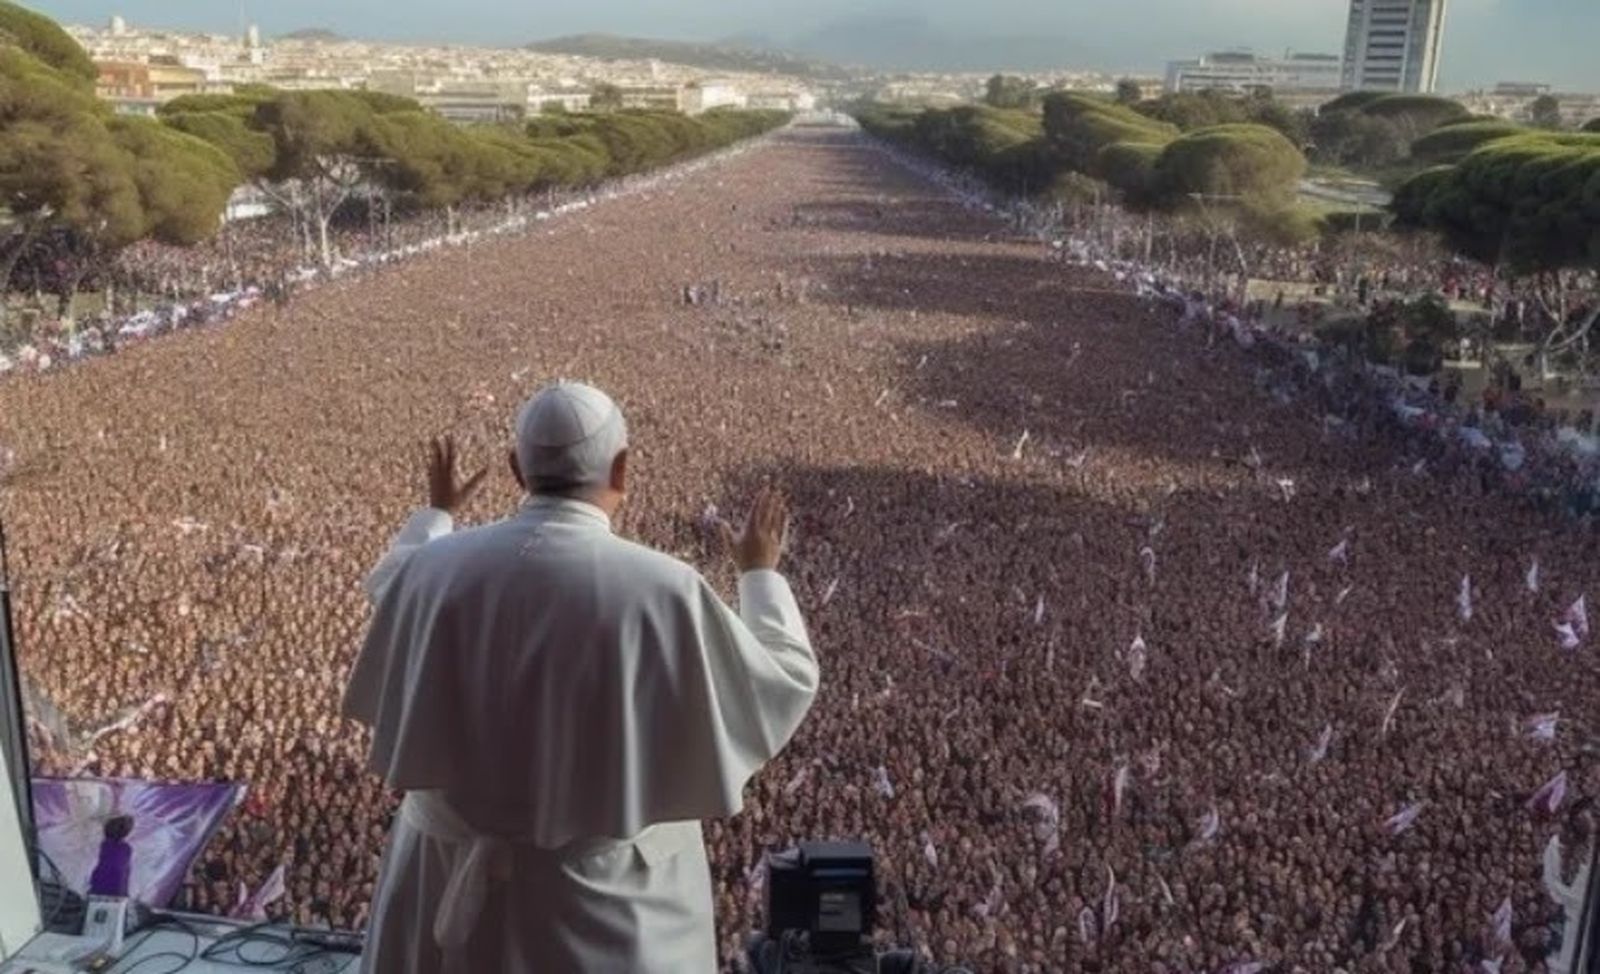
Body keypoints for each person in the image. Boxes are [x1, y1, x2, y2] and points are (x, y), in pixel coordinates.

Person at [344, 381, 820, 974]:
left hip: (436, 881)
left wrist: (437, 514)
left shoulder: (430, 570)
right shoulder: (664, 590)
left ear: (517, 469)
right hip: (605, 909)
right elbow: (781, 682)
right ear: (622, 469)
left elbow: (390, 583)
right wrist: (760, 575)